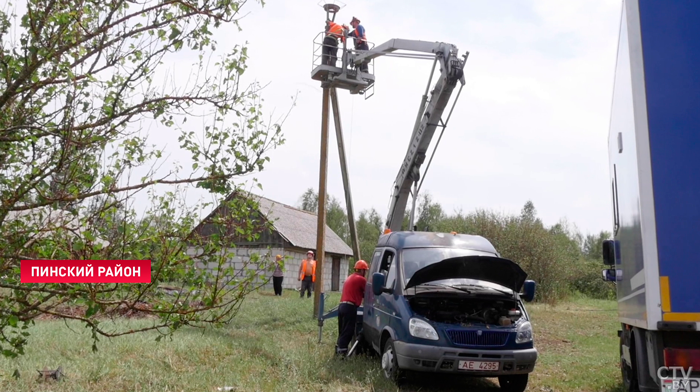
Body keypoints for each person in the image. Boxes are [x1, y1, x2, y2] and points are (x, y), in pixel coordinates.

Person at [335, 259, 369, 356]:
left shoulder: (350, 277)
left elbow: (358, 293)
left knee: (342, 330)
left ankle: (338, 350)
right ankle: (342, 354)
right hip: (350, 307)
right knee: (348, 331)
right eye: (365, 271)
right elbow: (369, 293)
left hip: (342, 306)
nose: (365, 273)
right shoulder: (361, 279)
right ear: (362, 270)